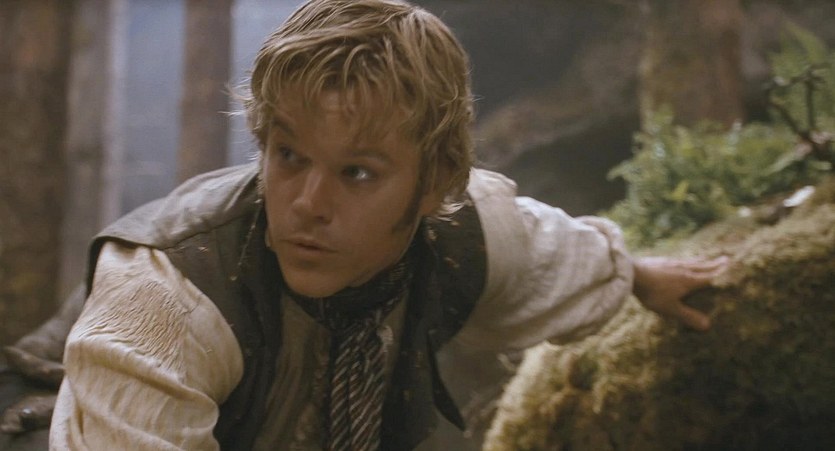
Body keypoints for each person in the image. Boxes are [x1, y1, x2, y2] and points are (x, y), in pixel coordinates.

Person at [49, 0, 726, 450]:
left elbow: (547, 248)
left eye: (357, 172)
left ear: (435, 183)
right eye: (289, 156)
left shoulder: (464, 230)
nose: (308, 203)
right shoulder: (165, 303)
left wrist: (638, 276)